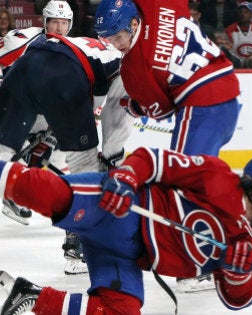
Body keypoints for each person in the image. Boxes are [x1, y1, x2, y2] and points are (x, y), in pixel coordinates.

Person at [0, 145, 252, 314]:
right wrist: (128, 175)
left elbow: (238, 300)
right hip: (119, 208)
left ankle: (26, 297)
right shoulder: (216, 177)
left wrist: (236, 271)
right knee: (47, 192)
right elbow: (153, 159)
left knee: (121, 313)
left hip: (127, 255)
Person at [0, 0, 131, 277]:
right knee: (84, 166)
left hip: (24, 76)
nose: (59, 27)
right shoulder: (125, 63)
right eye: (55, 21)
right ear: (45, 20)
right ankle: (78, 247)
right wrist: (111, 160)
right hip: (63, 82)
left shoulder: (89, 46)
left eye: (65, 23)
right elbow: (111, 122)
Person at [94, 0, 242, 292]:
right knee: (199, 184)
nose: (115, 44)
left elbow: (161, 110)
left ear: (133, 25)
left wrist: (132, 105)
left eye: (118, 37)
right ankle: (217, 252)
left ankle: (194, 268)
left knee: (181, 187)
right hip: (228, 92)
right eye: (108, 38)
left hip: (202, 106)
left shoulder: (135, 69)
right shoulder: (157, 6)